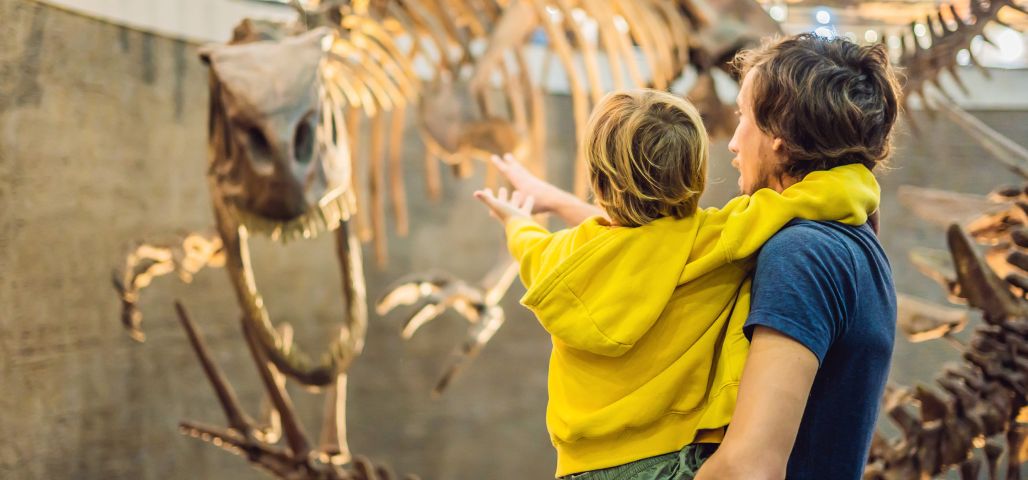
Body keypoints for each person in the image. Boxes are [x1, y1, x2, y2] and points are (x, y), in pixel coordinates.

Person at [487, 34, 900, 480]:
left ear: (780, 137)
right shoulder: (845, 241)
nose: (733, 142)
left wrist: (521, 221)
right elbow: (658, 255)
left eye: (744, 116)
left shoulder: (803, 254)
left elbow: (749, 467)